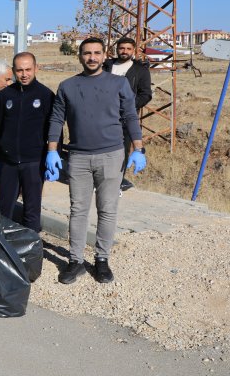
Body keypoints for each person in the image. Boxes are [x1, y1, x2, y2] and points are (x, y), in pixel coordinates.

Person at [46, 37, 146, 284]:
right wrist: (52, 151)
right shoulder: (67, 86)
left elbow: (130, 116)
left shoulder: (119, 83)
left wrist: (138, 148)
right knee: (78, 210)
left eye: (97, 53)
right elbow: (57, 119)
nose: (92, 57)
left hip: (112, 156)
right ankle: (75, 261)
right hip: (78, 157)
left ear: (104, 55)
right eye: (87, 53)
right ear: (80, 56)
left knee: (107, 210)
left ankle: (102, 259)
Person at [0, 52, 54, 232]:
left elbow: (53, 129)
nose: (24, 74)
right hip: (8, 163)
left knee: (32, 212)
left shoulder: (46, 95)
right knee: (4, 211)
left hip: (34, 163)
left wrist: (53, 155)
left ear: (36, 68)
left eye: (28, 69)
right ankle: (3, 244)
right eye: (19, 70)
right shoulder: (4, 96)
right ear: (13, 71)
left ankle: (31, 245)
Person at [106, 37, 153, 191]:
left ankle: (117, 182)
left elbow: (145, 94)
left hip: (125, 118)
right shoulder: (106, 66)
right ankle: (99, 179)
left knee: (122, 150)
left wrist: (129, 107)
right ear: (116, 49)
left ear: (133, 51)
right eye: (121, 48)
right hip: (103, 115)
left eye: (128, 49)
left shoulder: (140, 70)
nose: (124, 51)